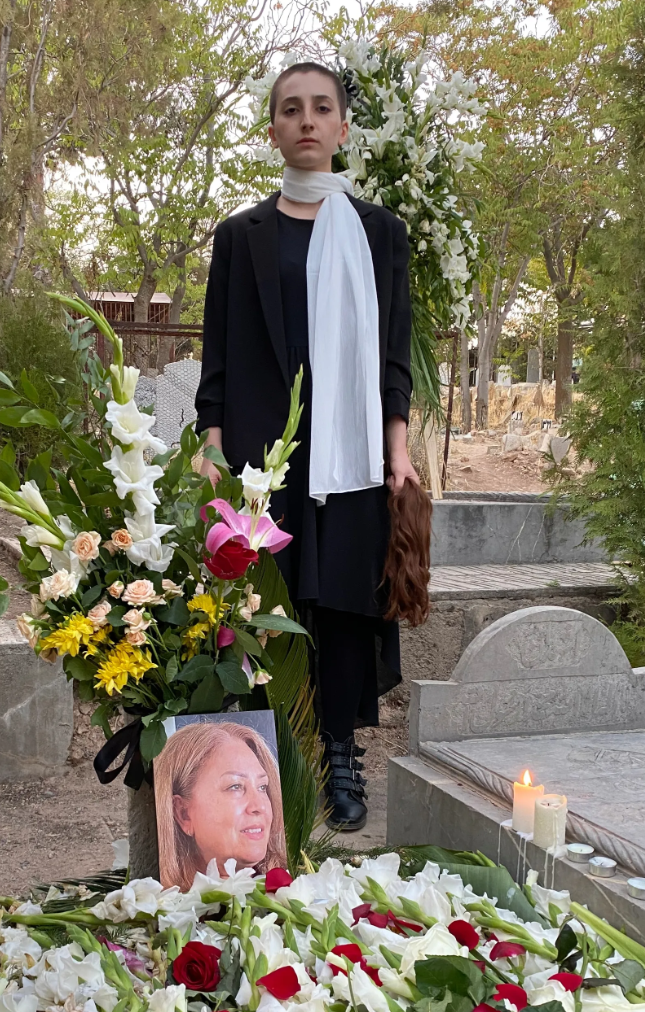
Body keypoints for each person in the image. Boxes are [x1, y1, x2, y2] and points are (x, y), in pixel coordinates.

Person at [195, 61, 419, 832]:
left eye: (321, 107)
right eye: (290, 109)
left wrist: (397, 449)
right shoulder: (240, 237)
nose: (306, 120)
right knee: (266, 601)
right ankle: (269, 756)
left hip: (350, 451)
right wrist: (211, 446)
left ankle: (340, 753)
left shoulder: (380, 233)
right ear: (273, 131)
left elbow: (393, 353)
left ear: (342, 127)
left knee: (345, 602)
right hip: (263, 450)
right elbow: (218, 352)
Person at [154, 721, 287, 891]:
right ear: (183, 813)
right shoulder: (154, 902)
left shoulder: (291, 889)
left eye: (262, 787)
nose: (259, 806)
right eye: (235, 786)